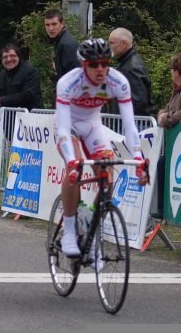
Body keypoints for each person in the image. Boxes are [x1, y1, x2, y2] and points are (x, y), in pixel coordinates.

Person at [55, 38, 147, 257]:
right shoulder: (68, 83)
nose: (100, 69)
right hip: (69, 128)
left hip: (94, 126)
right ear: (83, 65)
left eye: (105, 64)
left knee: (108, 179)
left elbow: (129, 124)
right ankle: (68, 231)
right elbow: (64, 128)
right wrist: (71, 162)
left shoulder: (118, 82)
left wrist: (138, 157)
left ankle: (91, 227)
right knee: (74, 172)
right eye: (94, 65)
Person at [155, 53, 181, 220]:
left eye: (172, 69)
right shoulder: (176, 91)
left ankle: (164, 210)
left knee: (163, 164)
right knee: (162, 164)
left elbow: (176, 115)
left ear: (177, 71)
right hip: (174, 147)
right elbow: (163, 110)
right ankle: (162, 210)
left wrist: (166, 118)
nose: (170, 72)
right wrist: (163, 115)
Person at [107, 27, 155, 117]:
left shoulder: (132, 67)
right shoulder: (127, 63)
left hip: (135, 124)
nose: (109, 46)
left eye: (111, 43)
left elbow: (139, 100)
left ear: (123, 43)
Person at [0, 43, 42, 111]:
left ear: (18, 57)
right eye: (5, 57)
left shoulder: (30, 72)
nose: (9, 59)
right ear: (1, 60)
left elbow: (28, 95)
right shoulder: (1, 76)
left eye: (12, 56)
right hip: (8, 119)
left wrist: (1, 101)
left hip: (31, 118)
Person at [44, 10, 79, 82]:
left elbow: (73, 76)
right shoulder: (59, 40)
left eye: (54, 24)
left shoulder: (67, 44)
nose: (50, 29)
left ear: (62, 23)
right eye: (47, 25)